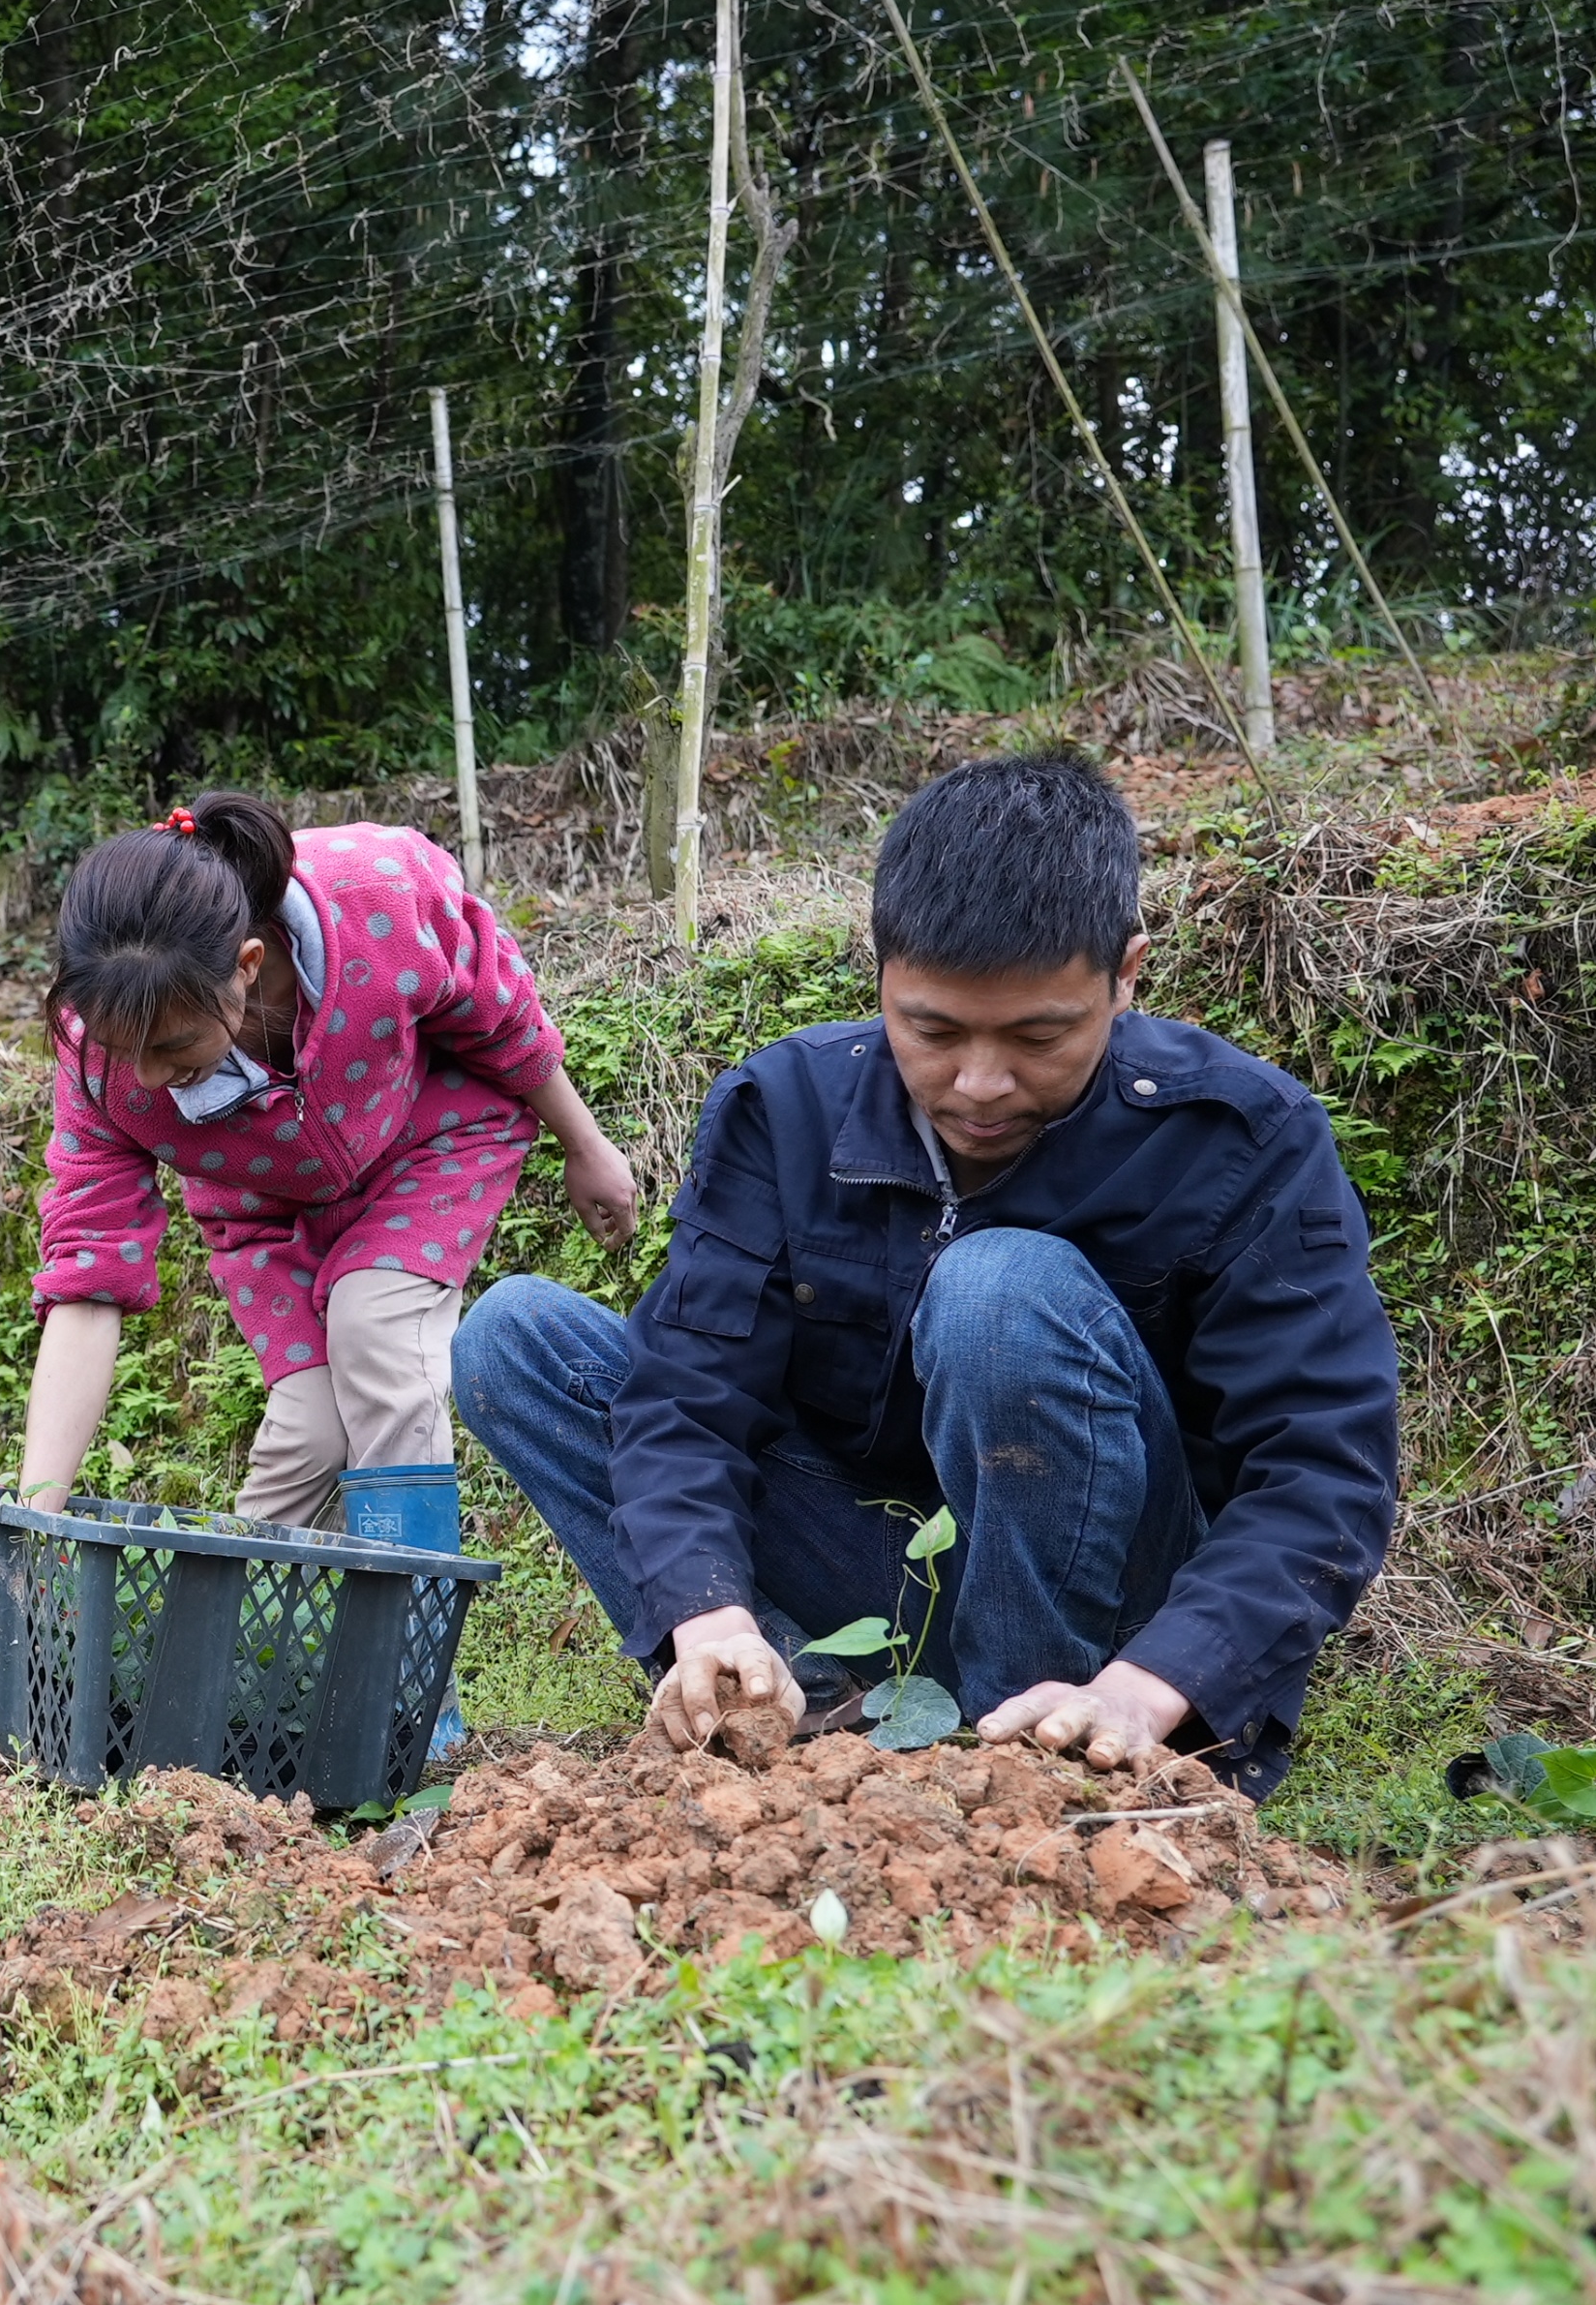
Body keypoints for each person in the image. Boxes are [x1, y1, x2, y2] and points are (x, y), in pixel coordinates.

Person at [451, 752, 1399, 1800]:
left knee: (997, 1289)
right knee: (514, 1336)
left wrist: (1150, 1682)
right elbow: (686, 1395)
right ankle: (793, 1715)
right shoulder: (783, 1111)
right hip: (880, 1572)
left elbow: (1319, 1469)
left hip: (1127, 1628)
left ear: (1126, 973)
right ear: (880, 973)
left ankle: (1042, 1770)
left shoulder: (1238, 1137)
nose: (980, 1084)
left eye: (1039, 1036)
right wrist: (704, 1606)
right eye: (932, 1031)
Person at [13, 789, 641, 1539]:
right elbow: (90, 1266)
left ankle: (403, 1633)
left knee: (375, 1332)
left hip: (430, 1145)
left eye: (173, 1048)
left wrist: (584, 1144)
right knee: (309, 1431)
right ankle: (228, 1638)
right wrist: (35, 1516)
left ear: (248, 966)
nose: (144, 1079)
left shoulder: (379, 896)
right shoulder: (90, 1055)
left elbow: (498, 1011)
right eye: (125, 1051)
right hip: (265, 1218)